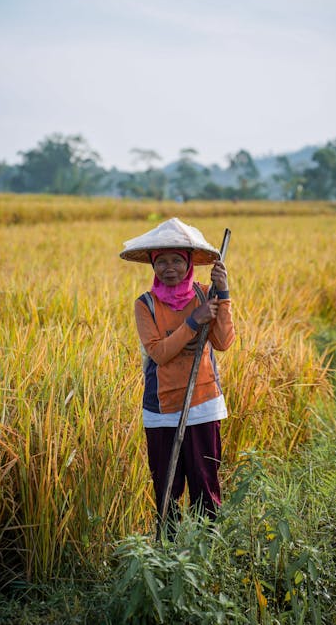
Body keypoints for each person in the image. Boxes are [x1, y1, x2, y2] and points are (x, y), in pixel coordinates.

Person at [120, 218, 235, 535]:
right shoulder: (146, 305)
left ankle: (207, 555)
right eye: (162, 262)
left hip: (203, 403)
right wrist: (194, 322)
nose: (169, 268)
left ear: (188, 264)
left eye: (176, 261)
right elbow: (158, 352)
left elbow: (223, 343)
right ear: (153, 265)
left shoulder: (205, 296)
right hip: (162, 410)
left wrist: (222, 293)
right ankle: (167, 556)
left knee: (205, 486)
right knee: (167, 491)